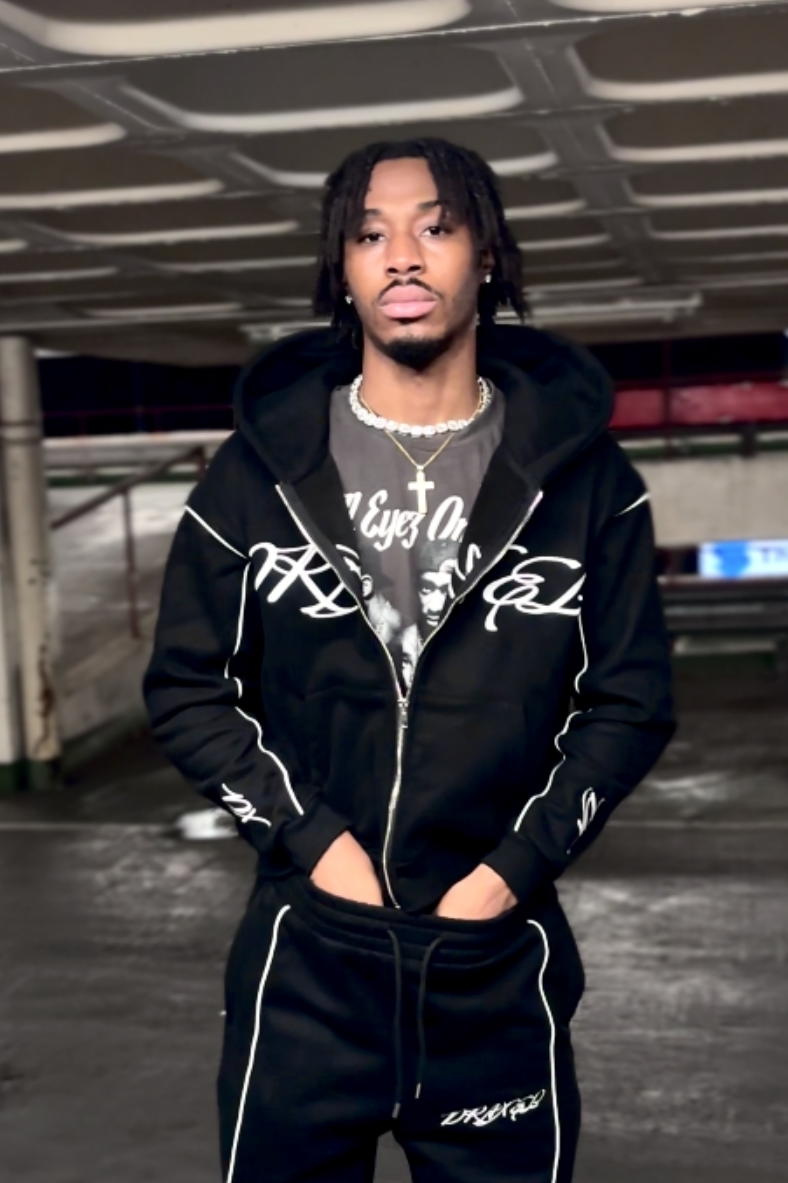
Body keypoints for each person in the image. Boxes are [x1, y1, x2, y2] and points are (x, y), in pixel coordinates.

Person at [144, 137, 675, 1183]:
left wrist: (509, 874)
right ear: (340, 269)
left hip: (492, 959)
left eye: (436, 227)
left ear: (487, 255)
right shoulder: (257, 474)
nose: (401, 256)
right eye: (368, 234)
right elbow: (188, 689)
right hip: (308, 953)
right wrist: (312, 844)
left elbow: (630, 702)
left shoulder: (585, 480)